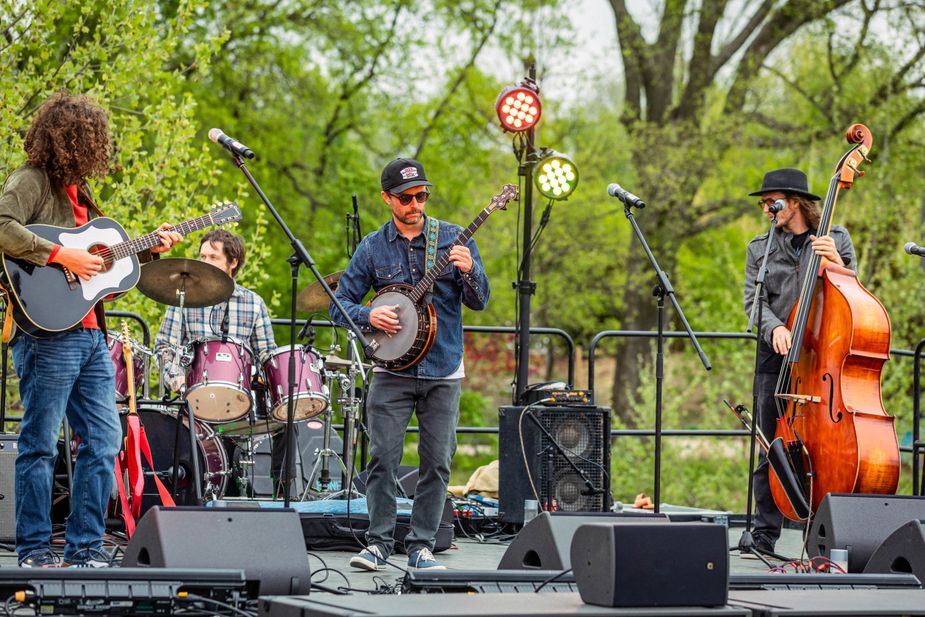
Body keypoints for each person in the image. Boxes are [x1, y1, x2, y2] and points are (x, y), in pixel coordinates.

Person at [0, 92, 182, 568]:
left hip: (89, 336)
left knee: (104, 441)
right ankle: (35, 551)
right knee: (39, 444)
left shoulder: (83, 196)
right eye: (89, 140)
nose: (95, 151)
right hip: (47, 335)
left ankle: (84, 548)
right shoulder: (32, 180)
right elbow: (2, 225)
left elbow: (103, 271)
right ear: (69, 140)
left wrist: (150, 250)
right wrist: (61, 255)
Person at [331, 158, 490, 571]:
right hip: (391, 370)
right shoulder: (372, 247)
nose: (415, 203)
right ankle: (378, 543)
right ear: (387, 199)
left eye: (421, 195)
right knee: (382, 458)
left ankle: (422, 545)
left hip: (443, 368)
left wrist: (470, 271)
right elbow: (339, 305)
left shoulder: (454, 238)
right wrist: (369, 317)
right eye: (405, 197)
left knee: (437, 461)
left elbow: (480, 300)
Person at [743, 167, 856, 554]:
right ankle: (763, 535)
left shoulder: (834, 237)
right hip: (775, 355)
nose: (765, 209)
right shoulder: (759, 248)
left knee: (827, 447)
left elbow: (855, 291)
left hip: (822, 354)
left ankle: (824, 535)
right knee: (770, 440)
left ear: (794, 202)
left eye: (770, 201)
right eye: (762, 203)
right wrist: (774, 326)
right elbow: (752, 304)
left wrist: (837, 263)